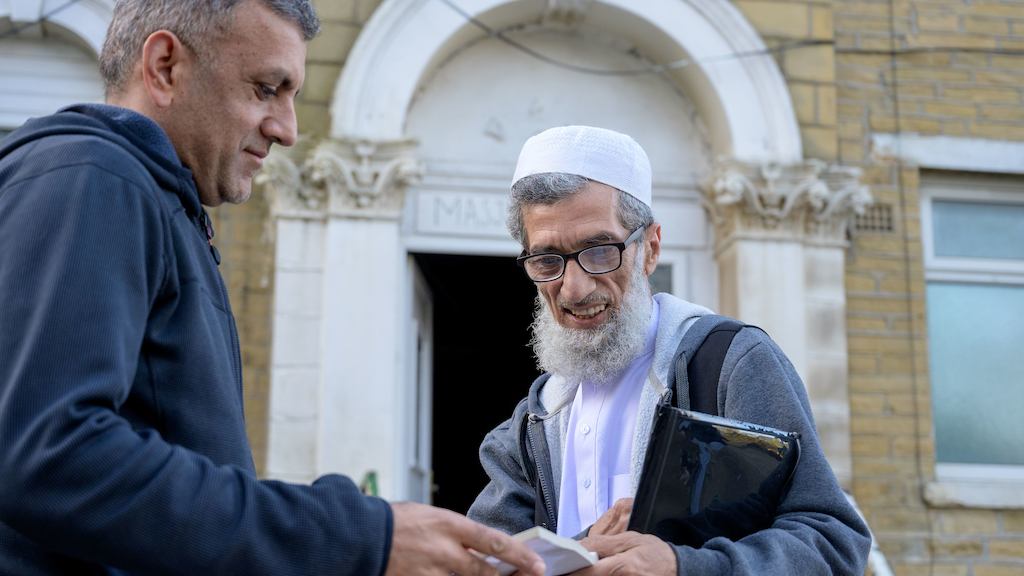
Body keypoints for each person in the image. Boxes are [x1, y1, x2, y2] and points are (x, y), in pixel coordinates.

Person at [0, 1, 545, 575]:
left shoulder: (157, 203)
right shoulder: (92, 176)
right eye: (266, 88)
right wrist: (354, 536)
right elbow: (47, 453)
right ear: (164, 66)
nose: (287, 128)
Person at [467, 125, 872, 575]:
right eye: (547, 261)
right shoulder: (530, 425)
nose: (574, 288)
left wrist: (683, 567)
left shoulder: (730, 365)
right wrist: (585, 549)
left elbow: (833, 544)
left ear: (650, 249)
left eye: (600, 251)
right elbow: (482, 565)